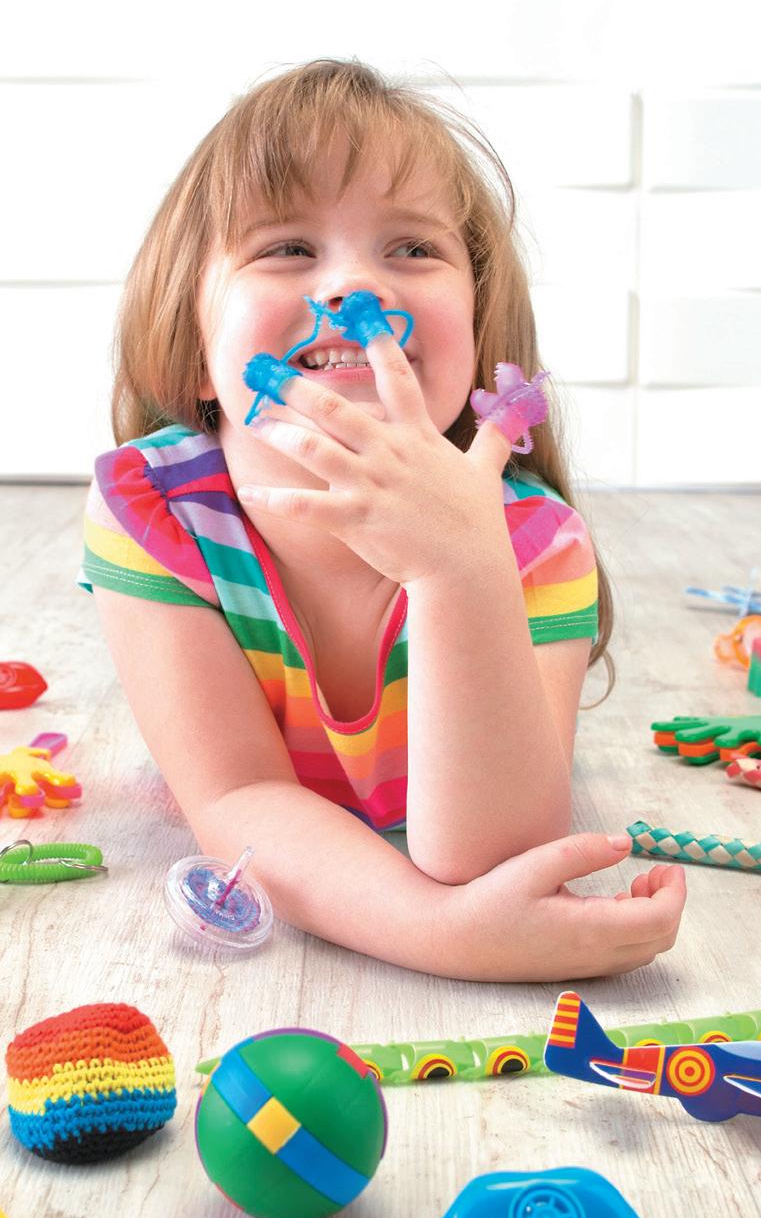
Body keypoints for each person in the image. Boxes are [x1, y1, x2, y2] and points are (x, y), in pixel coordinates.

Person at [80, 58, 686, 982]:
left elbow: (493, 862)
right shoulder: (155, 516)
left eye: (412, 249)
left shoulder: (536, 546)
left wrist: (460, 568)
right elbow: (240, 796)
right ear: (196, 345)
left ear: (479, 335)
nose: (355, 289)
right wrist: (442, 933)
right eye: (288, 247)